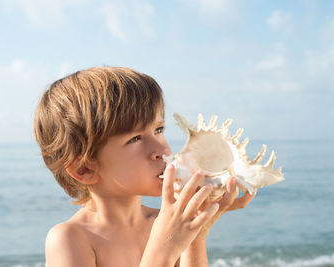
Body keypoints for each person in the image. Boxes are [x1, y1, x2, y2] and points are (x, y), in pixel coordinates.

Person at [33, 66, 254, 267]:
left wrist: (198, 231)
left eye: (158, 130)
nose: (162, 149)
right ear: (84, 169)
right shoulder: (71, 239)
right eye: (135, 138)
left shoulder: (167, 222)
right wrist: (164, 248)